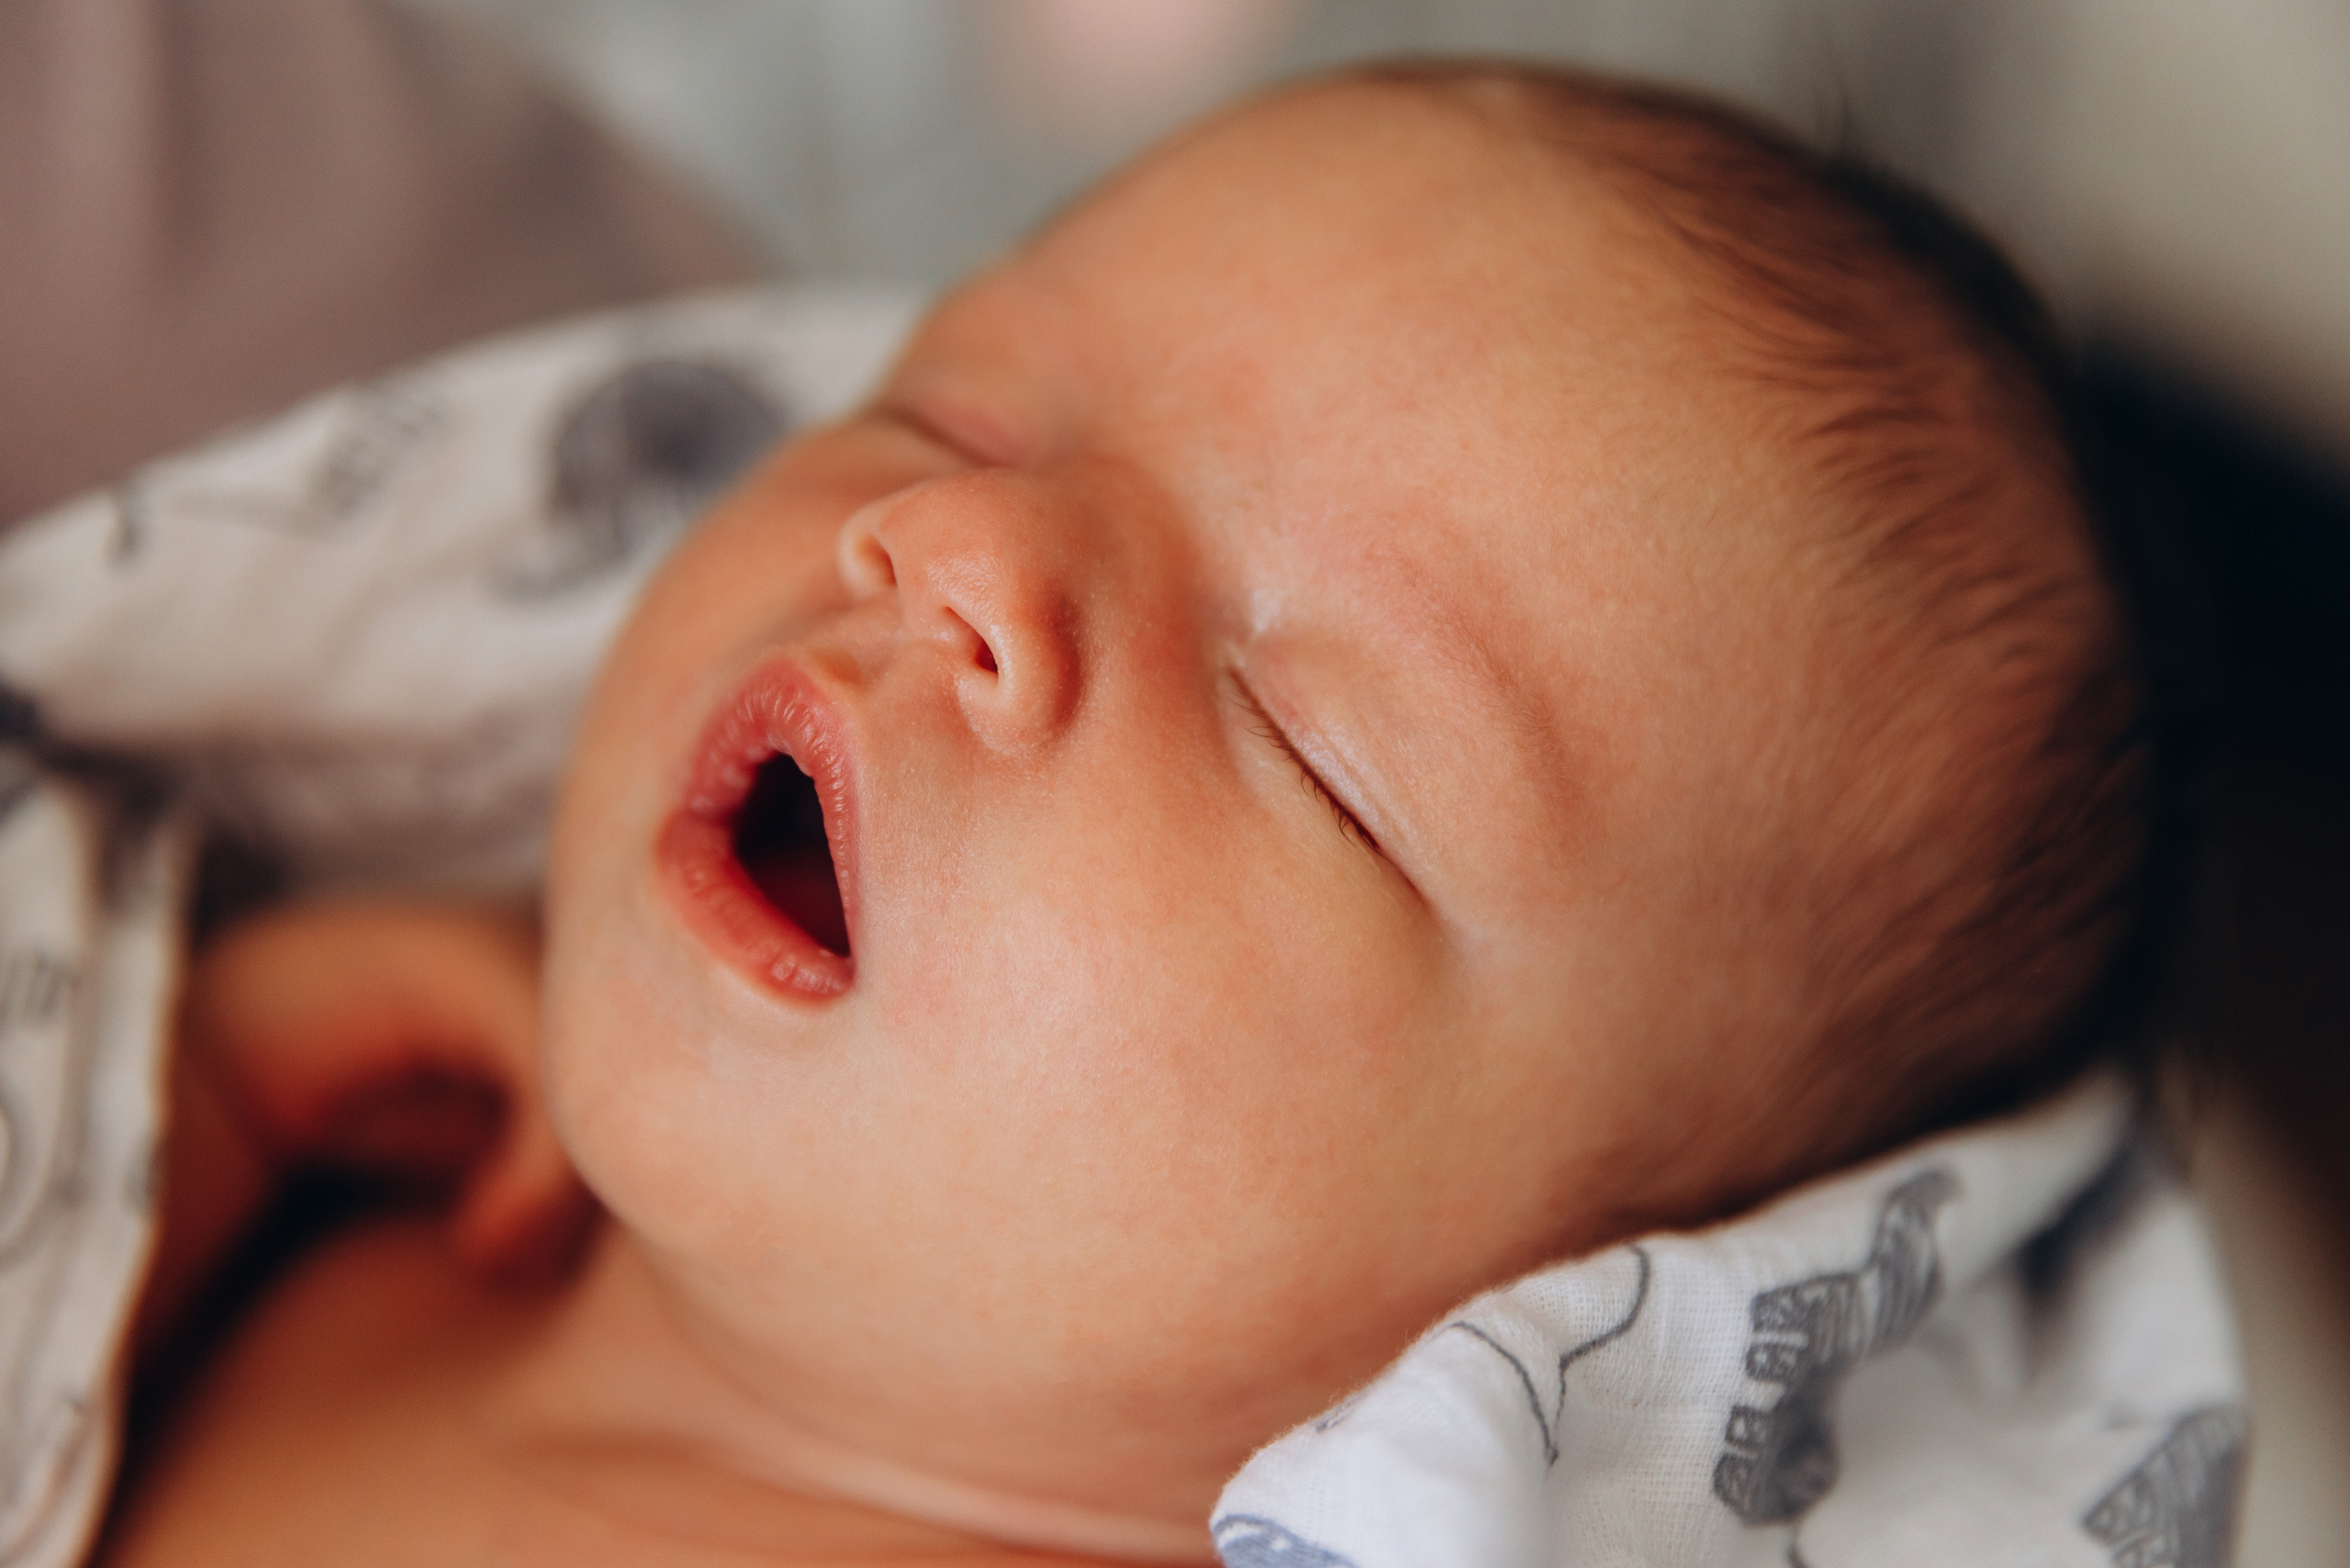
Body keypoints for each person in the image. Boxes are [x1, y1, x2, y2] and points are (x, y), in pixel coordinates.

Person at [105, 62, 2174, 1564]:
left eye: (1307, 742)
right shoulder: (321, 1219)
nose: (961, 540)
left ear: (1573, 1320)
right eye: (953, 409)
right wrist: (185, 1122)